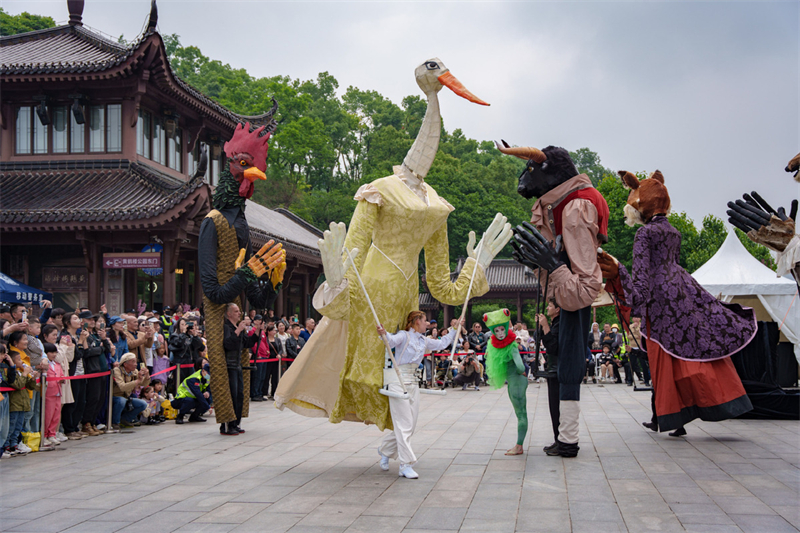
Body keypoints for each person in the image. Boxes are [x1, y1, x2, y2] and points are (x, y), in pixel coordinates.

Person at [376, 312, 463, 479]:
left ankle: (385, 450)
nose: (427, 324)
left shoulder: (423, 340)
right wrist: (384, 333)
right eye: (425, 321)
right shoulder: (404, 335)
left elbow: (442, 343)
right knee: (404, 424)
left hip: (413, 381)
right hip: (397, 381)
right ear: (417, 322)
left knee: (410, 424)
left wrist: (454, 328)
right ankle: (405, 464)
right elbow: (391, 340)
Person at [483, 309, 528, 456]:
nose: (500, 333)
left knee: (521, 414)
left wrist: (521, 372)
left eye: (502, 329)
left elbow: (521, 366)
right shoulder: (508, 345)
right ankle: (519, 445)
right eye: (497, 330)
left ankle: (519, 446)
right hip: (516, 381)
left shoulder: (511, 346)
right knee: (520, 413)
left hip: (516, 381)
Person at [221, 303, 257, 436]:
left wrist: (257, 331)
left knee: (240, 395)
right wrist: (238, 331)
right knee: (232, 395)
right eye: (236, 311)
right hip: (229, 365)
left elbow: (247, 343)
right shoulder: (226, 327)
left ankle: (236, 422)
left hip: (238, 364)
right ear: (229, 313)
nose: (239, 313)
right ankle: (227, 424)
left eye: (239, 311)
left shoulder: (239, 328)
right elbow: (227, 344)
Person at [3, 343, 38, 456]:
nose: (21, 361)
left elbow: (30, 386)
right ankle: (6, 445)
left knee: (18, 426)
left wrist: (32, 378)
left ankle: (14, 444)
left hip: (22, 404)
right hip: (14, 404)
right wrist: (25, 374)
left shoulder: (21, 372)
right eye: (18, 359)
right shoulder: (12, 373)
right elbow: (17, 385)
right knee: (11, 426)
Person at [537, 300, 561, 454]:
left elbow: (553, 347)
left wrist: (546, 326)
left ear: (557, 309)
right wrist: (541, 326)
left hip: (559, 370)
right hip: (552, 369)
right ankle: (557, 438)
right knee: (553, 408)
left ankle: (561, 440)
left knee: (558, 408)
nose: (547, 308)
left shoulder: (560, 324)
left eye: (550, 306)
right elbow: (540, 338)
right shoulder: (553, 323)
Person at [111, 352, 150, 431]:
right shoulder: (117, 370)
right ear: (125, 364)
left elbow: (143, 384)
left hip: (127, 397)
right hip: (115, 397)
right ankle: (115, 422)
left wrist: (147, 376)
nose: (135, 364)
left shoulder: (134, 371)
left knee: (143, 404)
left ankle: (125, 420)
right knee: (121, 401)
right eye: (133, 362)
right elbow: (122, 387)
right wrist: (137, 381)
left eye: (136, 361)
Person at [42, 342, 64, 446]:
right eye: (51, 352)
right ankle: (45, 434)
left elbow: (62, 375)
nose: (54, 355)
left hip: (58, 392)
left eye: (55, 352)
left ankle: (52, 434)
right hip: (49, 393)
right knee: (48, 415)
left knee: (56, 414)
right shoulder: (44, 365)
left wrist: (62, 379)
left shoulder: (57, 365)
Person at [248, 315, 268, 402]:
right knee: (257, 376)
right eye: (259, 320)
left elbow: (265, 342)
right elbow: (254, 343)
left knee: (262, 376)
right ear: (255, 321)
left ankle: (260, 392)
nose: (261, 322)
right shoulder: (252, 330)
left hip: (264, 356)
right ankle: (255, 393)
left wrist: (267, 351)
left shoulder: (262, 332)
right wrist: (258, 354)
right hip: (258, 356)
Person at [264, 325, 281, 401]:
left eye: (275, 330)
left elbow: (280, 349)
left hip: (275, 360)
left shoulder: (277, 340)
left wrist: (279, 354)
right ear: (269, 332)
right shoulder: (265, 339)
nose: (275, 332)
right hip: (268, 360)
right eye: (273, 330)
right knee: (266, 376)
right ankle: (265, 392)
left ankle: (274, 392)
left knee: (275, 377)